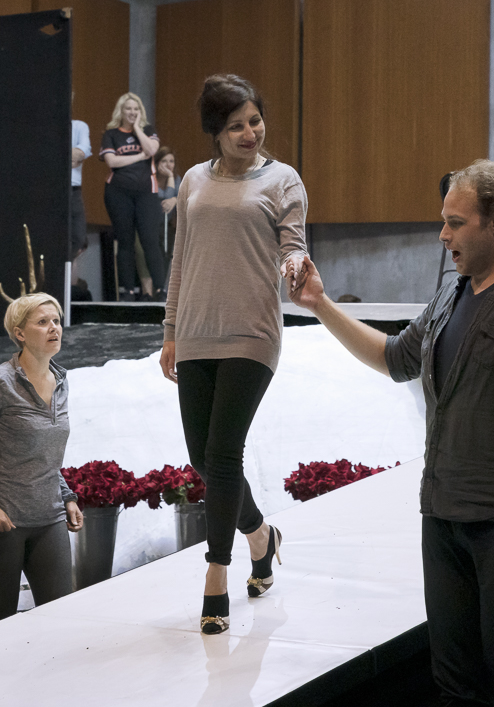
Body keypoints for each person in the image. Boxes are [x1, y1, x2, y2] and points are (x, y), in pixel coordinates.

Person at [289, 159, 494, 706]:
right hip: (444, 517)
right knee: (455, 680)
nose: (443, 235)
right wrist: (318, 305)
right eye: (443, 221)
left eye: (456, 223)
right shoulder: (450, 294)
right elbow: (395, 358)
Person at [159, 74, 309, 635]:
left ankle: (216, 575)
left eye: (255, 120)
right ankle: (261, 536)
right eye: (236, 125)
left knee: (223, 454)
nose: (250, 133)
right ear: (215, 132)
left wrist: (294, 265)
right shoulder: (194, 181)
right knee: (203, 458)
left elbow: (293, 244)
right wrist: (171, 330)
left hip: (252, 332)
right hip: (196, 331)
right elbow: (181, 258)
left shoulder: (283, 179)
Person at [0, 292, 84, 625]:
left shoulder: (61, 381)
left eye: (56, 321)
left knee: (60, 621)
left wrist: (67, 496)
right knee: (0, 627)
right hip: (1, 523)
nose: (54, 328)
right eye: (42, 322)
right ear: (20, 333)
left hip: (49, 520)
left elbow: (44, 455)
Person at [99, 92, 167, 301]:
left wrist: (137, 128)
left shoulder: (148, 130)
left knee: (150, 240)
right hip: (118, 193)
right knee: (125, 241)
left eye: (136, 109)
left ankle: (161, 290)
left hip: (146, 193)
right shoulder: (111, 134)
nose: (132, 112)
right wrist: (139, 157)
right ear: (121, 111)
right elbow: (112, 161)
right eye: (128, 108)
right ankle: (127, 291)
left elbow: (152, 149)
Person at [70, 112, 92, 280]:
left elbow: (82, 152)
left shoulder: (79, 126)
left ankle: (65, 278)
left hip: (74, 188)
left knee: (78, 237)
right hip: (52, 189)